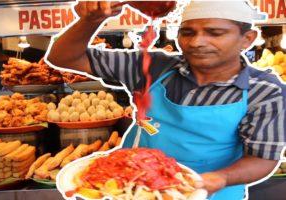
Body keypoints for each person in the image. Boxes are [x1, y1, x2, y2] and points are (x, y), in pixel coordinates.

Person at [47, 1, 286, 199]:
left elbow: (262, 158)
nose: (196, 42)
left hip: (210, 192)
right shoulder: (154, 67)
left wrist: (219, 178)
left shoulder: (264, 91)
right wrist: (90, 21)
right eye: (187, 32)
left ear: (247, 39)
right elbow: (63, 58)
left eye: (215, 33)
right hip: (127, 183)